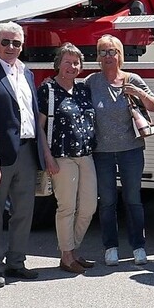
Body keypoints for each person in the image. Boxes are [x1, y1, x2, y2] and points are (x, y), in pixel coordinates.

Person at [0, 22, 44, 289]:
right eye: (6, 42)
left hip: (27, 151)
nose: (11, 47)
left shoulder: (27, 73)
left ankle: (16, 262)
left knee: (24, 210)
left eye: (16, 43)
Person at [86, 34, 154, 267]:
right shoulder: (91, 82)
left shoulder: (132, 78)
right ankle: (111, 248)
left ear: (120, 55)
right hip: (102, 152)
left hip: (131, 150)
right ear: (98, 57)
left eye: (112, 51)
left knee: (133, 199)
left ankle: (138, 247)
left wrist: (137, 92)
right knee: (106, 201)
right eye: (103, 52)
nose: (108, 56)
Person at [37, 43, 98, 274]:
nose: (72, 66)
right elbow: (40, 128)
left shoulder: (83, 90)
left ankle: (73, 249)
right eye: (67, 61)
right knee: (67, 207)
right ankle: (66, 255)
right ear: (58, 64)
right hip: (61, 157)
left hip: (85, 155)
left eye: (76, 62)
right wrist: (47, 157)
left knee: (89, 206)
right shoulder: (48, 91)